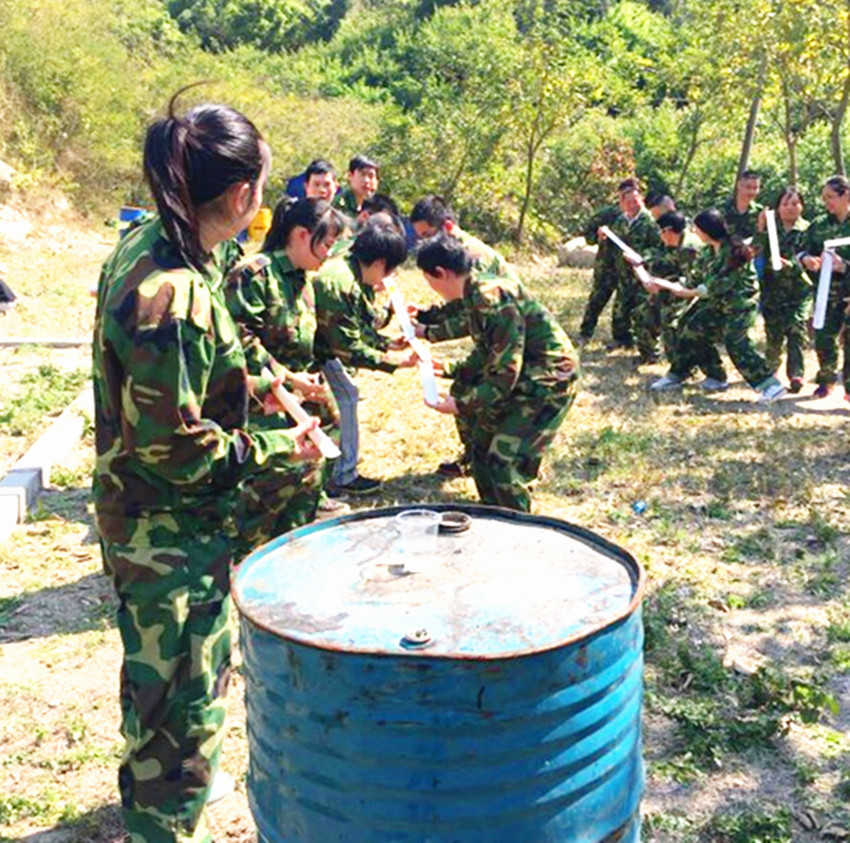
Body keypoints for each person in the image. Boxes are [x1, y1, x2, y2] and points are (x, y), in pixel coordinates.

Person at [92, 94, 321, 842]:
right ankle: (163, 818)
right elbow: (180, 452)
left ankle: (157, 787)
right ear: (242, 194)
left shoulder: (165, 242)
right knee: (185, 703)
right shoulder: (173, 295)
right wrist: (285, 448)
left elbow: (208, 361)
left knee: (157, 682)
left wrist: (262, 383)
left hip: (148, 517)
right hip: (167, 533)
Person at [417, 234, 580, 512]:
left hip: (550, 380)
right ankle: (493, 514)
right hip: (525, 374)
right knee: (481, 448)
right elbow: (489, 350)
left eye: (428, 279)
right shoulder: (473, 290)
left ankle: (517, 524)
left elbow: (505, 374)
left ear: (441, 273)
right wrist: (450, 369)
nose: (430, 287)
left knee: (504, 461)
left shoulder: (490, 298)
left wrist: (460, 404)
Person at [224, 197, 349, 545]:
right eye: (326, 243)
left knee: (310, 476)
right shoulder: (254, 275)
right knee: (273, 484)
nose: (328, 253)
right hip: (262, 400)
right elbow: (239, 340)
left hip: (301, 397)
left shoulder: (303, 282)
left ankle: (297, 539)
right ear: (301, 234)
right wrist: (288, 378)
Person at [313, 213, 418, 496]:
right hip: (317, 352)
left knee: (344, 396)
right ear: (380, 263)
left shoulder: (351, 270)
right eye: (389, 271)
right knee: (345, 397)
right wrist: (395, 362)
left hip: (322, 347)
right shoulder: (339, 284)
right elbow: (347, 347)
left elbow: (358, 322)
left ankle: (341, 468)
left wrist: (386, 343)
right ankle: (342, 475)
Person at [650, 209, 786, 401]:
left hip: (739, 306)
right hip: (717, 304)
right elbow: (696, 278)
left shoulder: (733, 251)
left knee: (736, 343)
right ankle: (697, 375)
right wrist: (670, 284)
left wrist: (687, 292)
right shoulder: (708, 251)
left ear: (707, 229)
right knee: (692, 329)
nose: (694, 232)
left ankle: (770, 385)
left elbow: (717, 284)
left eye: (697, 228)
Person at [754, 186, 811, 393]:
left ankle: (796, 374)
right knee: (774, 334)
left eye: (795, 203)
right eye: (785, 203)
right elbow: (756, 252)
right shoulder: (770, 228)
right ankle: (771, 371)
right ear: (778, 207)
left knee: (796, 329)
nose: (790, 208)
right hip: (772, 290)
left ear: (802, 206)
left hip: (799, 290)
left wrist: (793, 265)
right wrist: (761, 228)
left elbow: (811, 257)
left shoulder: (809, 230)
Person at [798, 175, 850, 399]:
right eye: (824, 198)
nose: (826, 202)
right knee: (823, 338)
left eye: (830, 197)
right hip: (826, 294)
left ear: (846, 195)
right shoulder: (818, 225)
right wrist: (806, 259)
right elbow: (800, 249)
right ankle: (826, 380)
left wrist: (844, 266)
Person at [605, 179, 662, 360]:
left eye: (635, 201)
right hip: (624, 273)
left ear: (641, 200)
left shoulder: (650, 222)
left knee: (642, 311)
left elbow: (659, 247)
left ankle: (648, 350)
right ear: (622, 202)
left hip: (643, 274)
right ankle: (622, 339)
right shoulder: (621, 221)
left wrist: (641, 257)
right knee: (620, 308)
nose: (632, 205)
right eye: (628, 201)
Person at [636, 211, 703, 365]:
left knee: (670, 320)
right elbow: (659, 259)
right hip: (671, 287)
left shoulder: (689, 249)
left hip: (693, 291)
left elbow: (691, 282)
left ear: (668, 231)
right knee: (643, 314)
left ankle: (680, 367)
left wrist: (661, 283)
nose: (659, 235)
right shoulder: (670, 241)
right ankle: (650, 356)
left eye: (661, 231)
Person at [577, 195, 626, 345]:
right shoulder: (607, 214)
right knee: (597, 299)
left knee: (623, 303)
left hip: (628, 268)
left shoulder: (643, 217)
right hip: (607, 265)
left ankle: (622, 337)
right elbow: (588, 236)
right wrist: (598, 237)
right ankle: (585, 332)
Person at [722, 169, 763, 240]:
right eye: (748, 187)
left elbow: (762, 239)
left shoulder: (759, 212)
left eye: (755, 188)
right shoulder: (722, 208)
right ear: (739, 186)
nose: (752, 192)